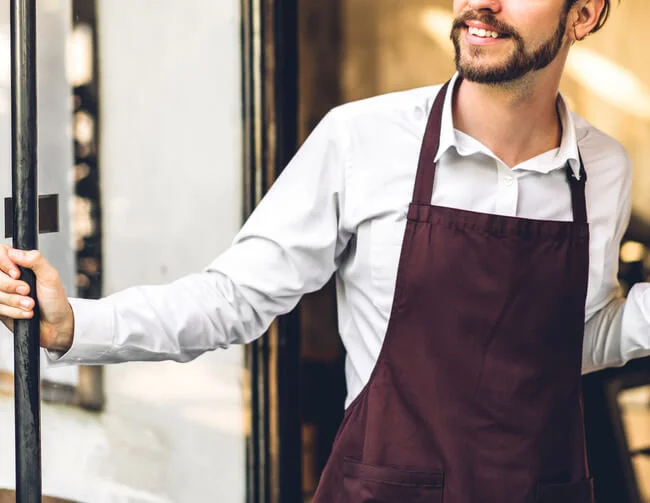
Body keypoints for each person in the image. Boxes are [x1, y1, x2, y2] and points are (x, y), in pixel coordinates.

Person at [0, 0, 647, 501]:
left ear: (584, 13)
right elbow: (233, 298)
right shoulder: (362, 141)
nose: (482, 3)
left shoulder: (602, 170)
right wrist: (74, 324)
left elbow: (576, 337)